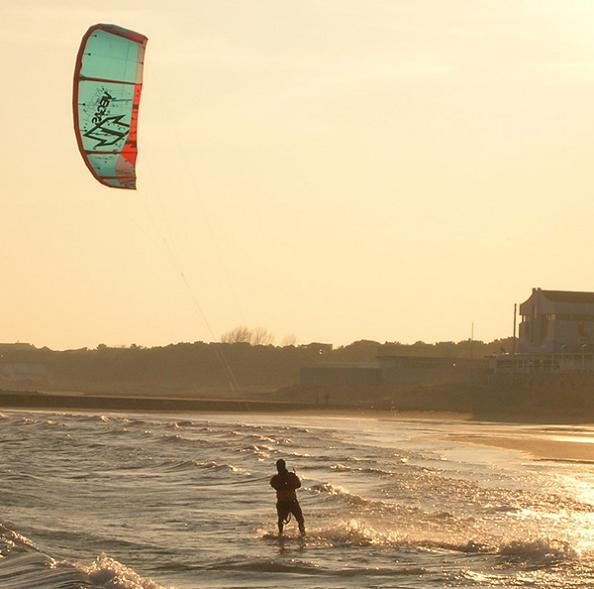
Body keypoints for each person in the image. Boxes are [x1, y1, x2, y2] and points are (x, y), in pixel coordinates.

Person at [270, 458, 305, 536]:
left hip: (292, 501)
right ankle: (280, 534)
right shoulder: (275, 478)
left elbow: (298, 485)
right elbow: (274, 485)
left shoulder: (291, 476)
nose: (279, 468)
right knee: (281, 520)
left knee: (300, 520)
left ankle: (303, 534)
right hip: (282, 502)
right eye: (278, 466)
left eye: (280, 466)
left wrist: (290, 484)